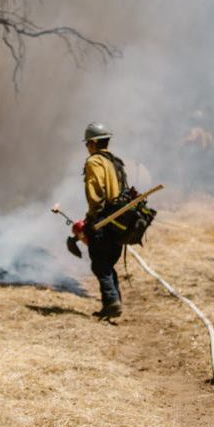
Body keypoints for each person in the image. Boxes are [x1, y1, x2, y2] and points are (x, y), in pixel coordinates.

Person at [82, 122, 126, 319]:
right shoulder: (115, 162)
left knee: (100, 264)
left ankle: (112, 301)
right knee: (107, 263)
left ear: (92, 143)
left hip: (103, 220)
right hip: (119, 220)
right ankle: (113, 302)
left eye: (87, 144)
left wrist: (92, 218)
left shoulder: (94, 162)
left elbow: (96, 192)